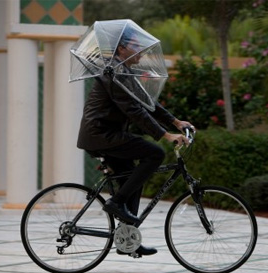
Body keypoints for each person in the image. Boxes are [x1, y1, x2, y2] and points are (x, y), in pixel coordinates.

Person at [77, 29, 194, 257]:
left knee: (133, 177)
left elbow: (147, 102)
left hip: (108, 134)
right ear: (121, 48)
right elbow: (133, 110)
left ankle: (127, 240)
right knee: (155, 154)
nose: (140, 50)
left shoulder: (123, 71)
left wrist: (175, 121)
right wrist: (165, 135)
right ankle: (116, 202)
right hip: (100, 134)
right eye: (135, 46)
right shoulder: (111, 73)